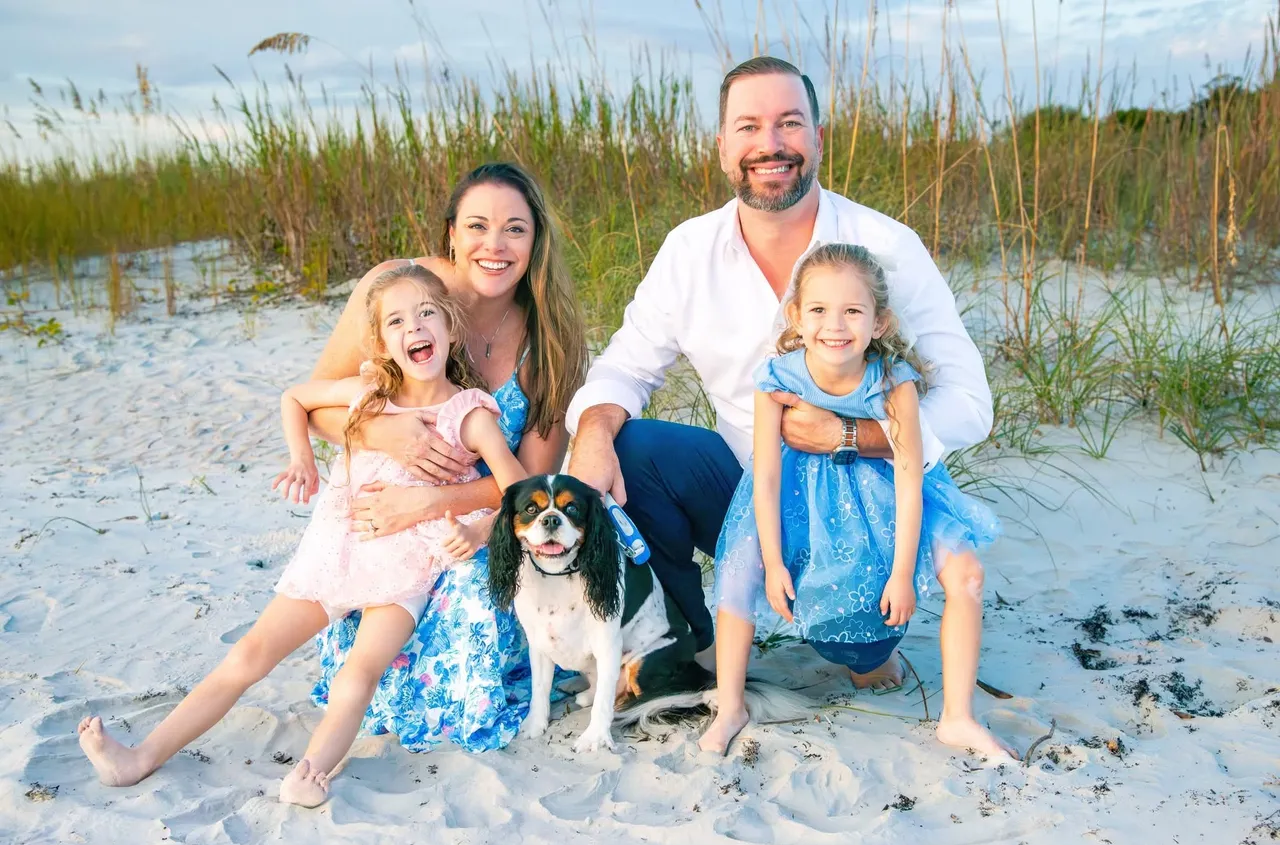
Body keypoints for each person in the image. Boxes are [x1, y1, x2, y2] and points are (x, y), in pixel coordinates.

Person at [565, 57, 1004, 754]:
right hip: (746, 495)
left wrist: (853, 434)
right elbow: (625, 364)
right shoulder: (689, 250)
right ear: (722, 146)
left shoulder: (884, 246)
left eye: (789, 123)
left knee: (854, 655)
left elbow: (971, 401)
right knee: (632, 446)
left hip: (863, 507)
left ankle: (865, 649)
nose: (771, 143)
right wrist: (592, 430)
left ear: (818, 137)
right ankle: (697, 645)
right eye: (750, 126)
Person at [76, 265, 528, 806]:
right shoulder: (368, 394)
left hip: (403, 567)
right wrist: (302, 460)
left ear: (451, 328)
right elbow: (295, 398)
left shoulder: (467, 413)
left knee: (358, 675)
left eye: (427, 313)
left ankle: (309, 773)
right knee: (248, 654)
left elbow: (518, 488)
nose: (415, 327)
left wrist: (479, 528)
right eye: (398, 320)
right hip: (333, 552)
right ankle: (138, 759)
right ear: (384, 342)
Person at [307, 162, 587, 752]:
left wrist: (434, 501)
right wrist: (383, 435)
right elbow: (316, 406)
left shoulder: (550, 338)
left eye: (515, 229)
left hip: (482, 523)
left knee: (472, 589)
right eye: (477, 226)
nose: (494, 245)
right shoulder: (400, 293)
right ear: (451, 235)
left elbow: (532, 484)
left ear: (535, 241)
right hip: (388, 515)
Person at [708, 243, 1004, 755]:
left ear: (879, 322)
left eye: (852, 311)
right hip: (801, 493)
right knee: (738, 568)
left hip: (888, 493)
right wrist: (774, 562)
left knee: (967, 575)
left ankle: (957, 717)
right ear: (797, 316)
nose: (835, 325)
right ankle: (730, 703)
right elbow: (767, 479)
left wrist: (901, 572)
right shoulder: (777, 379)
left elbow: (911, 481)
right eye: (819, 309)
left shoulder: (893, 383)